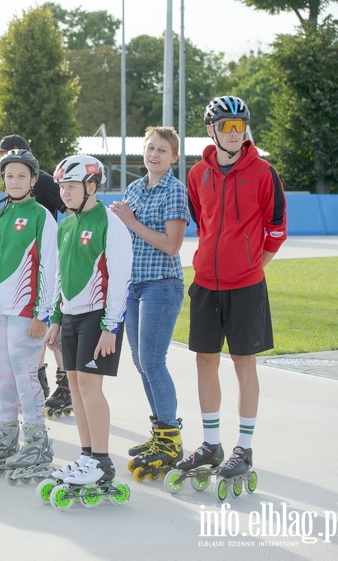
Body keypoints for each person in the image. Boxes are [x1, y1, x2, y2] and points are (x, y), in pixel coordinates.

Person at [177, 96, 287, 480]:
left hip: (246, 286)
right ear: (211, 130)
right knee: (204, 360)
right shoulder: (196, 175)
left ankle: (244, 448)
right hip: (206, 283)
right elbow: (201, 222)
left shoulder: (263, 172)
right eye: (226, 126)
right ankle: (210, 444)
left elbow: (276, 230)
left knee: (244, 364)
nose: (234, 133)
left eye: (240, 126)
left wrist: (254, 266)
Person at [44, 155, 132, 489]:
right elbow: (58, 277)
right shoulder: (65, 224)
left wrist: (111, 327)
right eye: (62, 187)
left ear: (91, 187)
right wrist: (55, 318)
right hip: (70, 316)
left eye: (72, 187)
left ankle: (103, 461)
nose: (64, 193)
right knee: (76, 385)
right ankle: (86, 455)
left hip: (98, 315)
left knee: (91, 387)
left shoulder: (109, 222)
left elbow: (120, 277)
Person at [0, 149, 57, 481]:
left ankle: (37, 442)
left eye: (22, 175)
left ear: (33, 180)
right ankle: (6, 437)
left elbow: (50, 266)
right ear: (2, 180)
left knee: (25, 377)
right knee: (2, 376)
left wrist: (42, 314)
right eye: (9, 176)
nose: (15, 181)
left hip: (25, 313)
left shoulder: (40, 216)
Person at [109, 126, 189, 480]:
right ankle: (159, 433)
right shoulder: (134, 189)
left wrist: (130, 220)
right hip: (134, 286)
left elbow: (172, 245)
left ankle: (171, 438)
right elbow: (126, 238)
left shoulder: (174, 191)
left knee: (154, 362)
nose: (155, 155)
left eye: (162, 150)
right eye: (150, 148)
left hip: (162, 284)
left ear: (173, 157)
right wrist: (117, 221)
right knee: (142, 363)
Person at [0, 134, 64, 400]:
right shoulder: (11, 186)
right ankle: (41, 379)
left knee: (48, 326)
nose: (0, 158)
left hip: (41, 255)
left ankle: (63, 380)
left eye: (3, 152)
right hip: (20, 258)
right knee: (30, 341)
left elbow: (67, 205)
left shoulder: (42, 180)